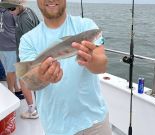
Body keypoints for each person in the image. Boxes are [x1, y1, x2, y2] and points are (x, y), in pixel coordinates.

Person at [18, 0, 111, 134]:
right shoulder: (28, 40)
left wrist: (91, 60)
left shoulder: (86, 25)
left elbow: (102, 65)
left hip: (95, 122)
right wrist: (42, 76)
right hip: (56, 129)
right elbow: (31, 83)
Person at [0, 0, 40, 119]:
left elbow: (30, 40)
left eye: (12, 9)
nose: (10, 12)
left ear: (19, 5)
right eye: (8, 9)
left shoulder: (23, 19)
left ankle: (32, 110)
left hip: (27, 56)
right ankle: (39, 107)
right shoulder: (28, 12)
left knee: (24, 81)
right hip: (24, 53)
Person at [0, 6, 22, 96]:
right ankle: (11, 93)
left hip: (2, 45)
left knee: (11, 70)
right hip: (11, 45)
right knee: (11, 71)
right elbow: (19, 27)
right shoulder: (12, 12)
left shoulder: (2, 10)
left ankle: (16, 89)